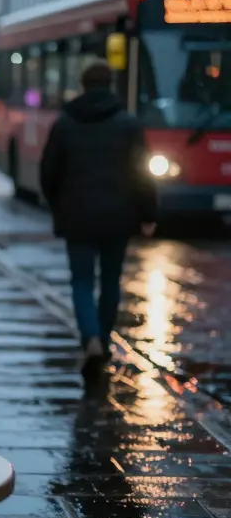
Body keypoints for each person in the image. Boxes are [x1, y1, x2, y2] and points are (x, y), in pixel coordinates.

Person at [40, 60, 157, 368]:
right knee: (110, 279)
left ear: (83, 84)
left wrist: (58, 207)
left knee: (80, 280)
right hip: (118, 217)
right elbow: (142, 173)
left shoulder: (66, 122)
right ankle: (103, 340)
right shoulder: (128, 123)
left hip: (76, 216)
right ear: (110, 84)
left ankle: (90, 336)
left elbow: (48, 172)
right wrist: (148, 214)